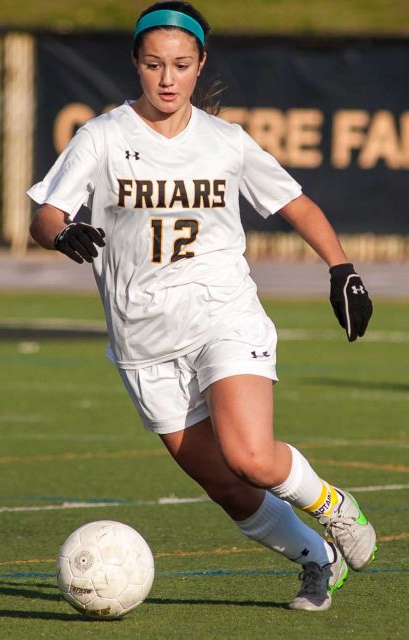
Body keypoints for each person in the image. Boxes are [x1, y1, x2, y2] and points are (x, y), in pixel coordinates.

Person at [29, 1, 376, 612]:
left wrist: (341, 269)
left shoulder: (226, 142)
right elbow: (45, 216)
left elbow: (297, 205)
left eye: (182, 65)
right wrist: (60, 234)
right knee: (225, 484)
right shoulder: (103, 137)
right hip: (142, 341)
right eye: (155, 64)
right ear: (136, 64)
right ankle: (315, 559)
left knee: (249, 455)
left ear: (201, 65)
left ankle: (334, 506)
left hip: (223, 313)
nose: (168, 78)